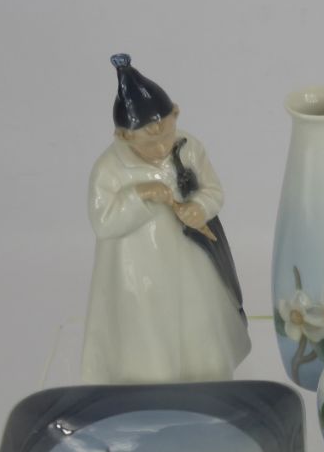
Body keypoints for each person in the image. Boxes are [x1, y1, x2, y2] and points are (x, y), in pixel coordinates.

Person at [82, 54, 250, 384]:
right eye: (149, 142)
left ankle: (204, 375)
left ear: (176, 114)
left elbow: (213, 190)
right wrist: (139, 195)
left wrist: (199, 207)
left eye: (166, 136)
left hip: (189, 259)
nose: (161, 148)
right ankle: (149, 381)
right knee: (147, 327)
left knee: (196, 315)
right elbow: (103, 222)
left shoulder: (189, 148)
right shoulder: (109, 168)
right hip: (137, 268)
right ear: (124, 136)